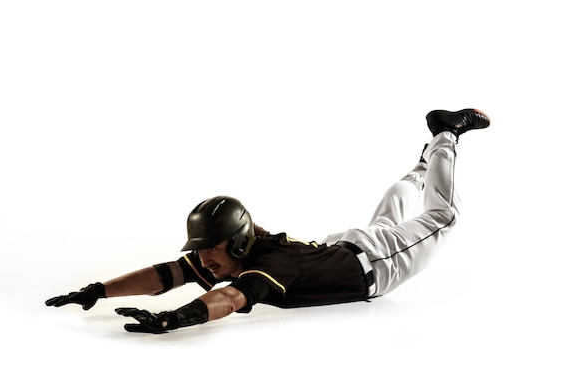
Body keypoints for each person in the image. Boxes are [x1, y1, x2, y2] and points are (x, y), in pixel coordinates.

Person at [45, 108, 490, 334]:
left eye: (209, 249)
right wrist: (98, 290)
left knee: (442, 215)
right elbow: (167, 273)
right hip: (349, 247)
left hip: (378, 264)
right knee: (396, 198)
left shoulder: (266, 265)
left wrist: (174, 320)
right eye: (200, 249)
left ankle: (446, 133)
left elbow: (231, 300)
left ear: (236, 244)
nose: (202, 258)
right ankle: (427, 158)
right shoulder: (230, 254)